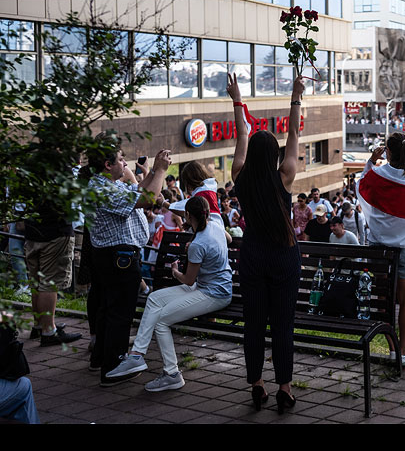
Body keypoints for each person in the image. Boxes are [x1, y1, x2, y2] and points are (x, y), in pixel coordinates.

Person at [228, 72, 303, 414]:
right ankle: (284, 388)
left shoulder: (239, 176)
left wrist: (236, 100)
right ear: (274, 155)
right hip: (283, 257)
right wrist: (296, 95)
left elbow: (243, 133)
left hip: (253, 255)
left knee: (254, 321)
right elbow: (294, 133)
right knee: (282, 323)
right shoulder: (284, 176)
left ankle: (256, 383)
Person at [104, 196, 233, 391]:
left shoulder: (198, 244)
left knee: (162, 321)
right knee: (155, 298)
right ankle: (137, 356)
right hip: (209, 286)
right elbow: (228, 239)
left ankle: (172, 373)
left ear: (188, 216)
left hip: (214, 294)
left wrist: (174, 271)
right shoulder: (215, 224)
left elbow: (188, 280)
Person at [86, 133, 171, 387]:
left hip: (111, 256)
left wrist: (149, 173)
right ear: (107, 165)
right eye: (121, 160)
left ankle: (101, 358)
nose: (125, 165)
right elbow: (147, 199)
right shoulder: (101, 188)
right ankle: (113, 367)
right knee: (120, 313)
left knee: (107, 310)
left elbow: (138, 190)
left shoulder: (107, 184)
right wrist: (160, 171)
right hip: (118, 257)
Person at [356, 132, 405, 366]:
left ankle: (390, 347)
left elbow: (361, 187)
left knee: (384, 299)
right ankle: (402, 350)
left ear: (387, 152)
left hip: (379, 251)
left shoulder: (376, 174)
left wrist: (370, 161)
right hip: (404, 250)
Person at [23, 197, 81, 346]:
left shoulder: (27, 172)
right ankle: (49, 332)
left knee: (36, 282)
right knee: (49, 284)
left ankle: (39, 325)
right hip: (55, 231)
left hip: (33, 229)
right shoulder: (59, 173)